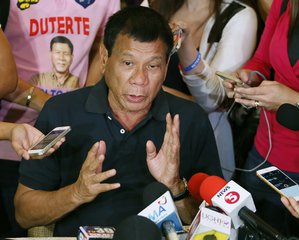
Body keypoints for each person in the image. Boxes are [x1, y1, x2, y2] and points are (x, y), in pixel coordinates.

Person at [14, 6, 223, 237]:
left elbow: (217, 223)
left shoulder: (190, 120)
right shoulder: (61, 112)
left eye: (152, 66)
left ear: (165, 70)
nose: (140, 79)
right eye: (128, 63)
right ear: (105, 59)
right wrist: (77, 193)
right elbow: (24, 213)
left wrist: (176, 188)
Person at [0, 0, 120, 237]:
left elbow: (104, 46)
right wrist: (49, 104)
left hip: (69, 139)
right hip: (12, 139)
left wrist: (85, 101)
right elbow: (5, 77)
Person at [141, 0, 258, 180]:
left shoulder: (238, 15)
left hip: (194, 140)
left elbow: (214, 99)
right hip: (139, 130)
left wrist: (186, 48)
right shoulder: (152, 5)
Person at [224, 0, 299, 237]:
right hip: (264, 153)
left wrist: (291, 99)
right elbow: (262, 61)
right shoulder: (286, 3)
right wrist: (247, 78)